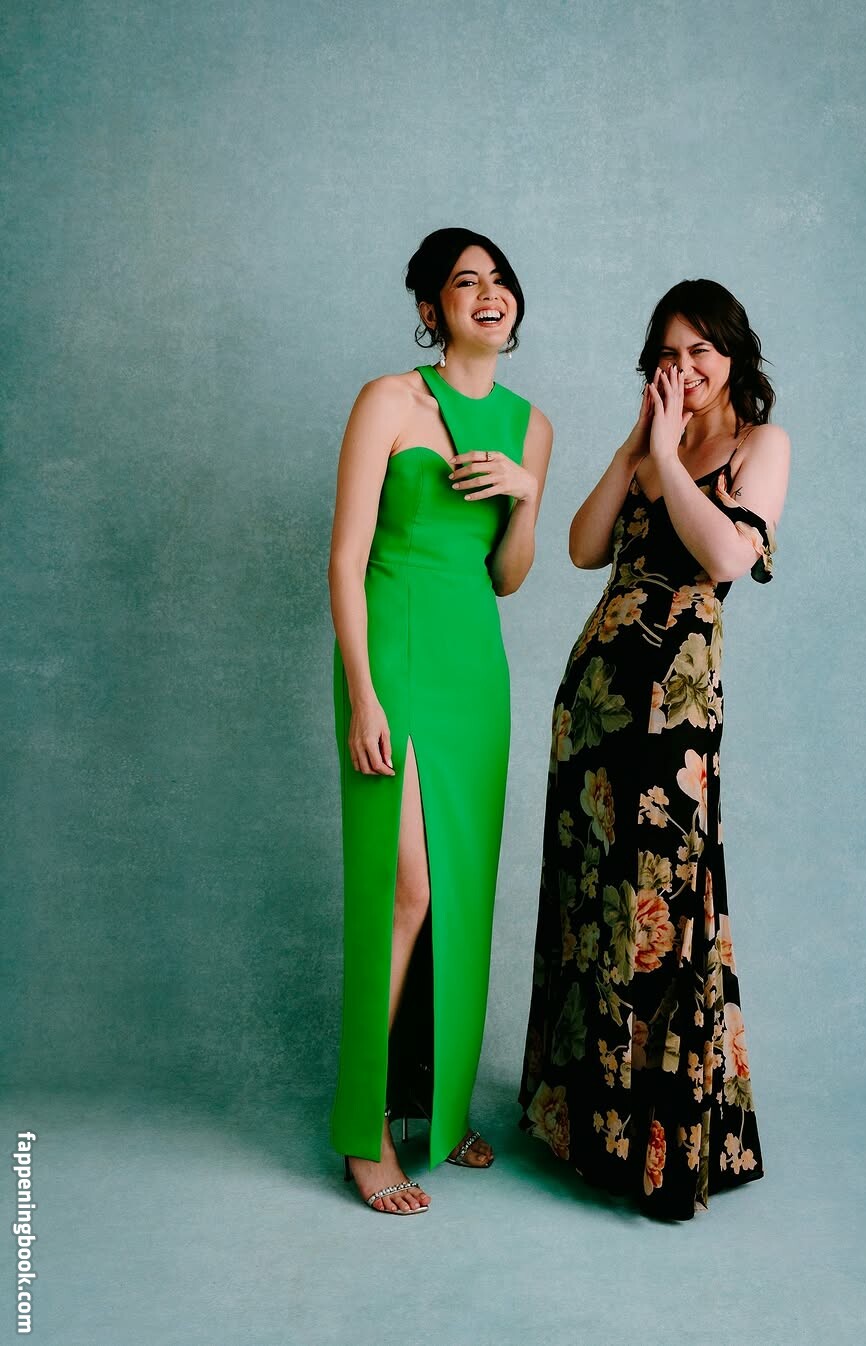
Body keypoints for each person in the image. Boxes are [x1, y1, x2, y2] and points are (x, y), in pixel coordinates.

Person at [519, 279, 789, 1220]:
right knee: (593, 901)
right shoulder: (650, 445)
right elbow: (582, 547)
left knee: (663, 907)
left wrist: (671, 460)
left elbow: (726, 558)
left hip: (676, 717)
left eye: (700, 350)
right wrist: (638, 443)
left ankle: (658, 1148)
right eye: (669, 354)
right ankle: (585, 1128)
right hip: (594, 703)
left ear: (732, 355)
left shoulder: (759, 446)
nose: (685, 368)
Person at [329, 228, 552, 1214]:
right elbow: (345, 558)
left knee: (461, 890)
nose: (488, 293)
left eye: (499, 279)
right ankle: (364, 1126)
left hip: (476, 671)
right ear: (433, 309)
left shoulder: (531, 425)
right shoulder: (388, 400)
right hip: (395, 657)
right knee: (407, 890)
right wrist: (363, 694)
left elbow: (507, 577)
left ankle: (445, 1103)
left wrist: (527, 497)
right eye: (466, 282)